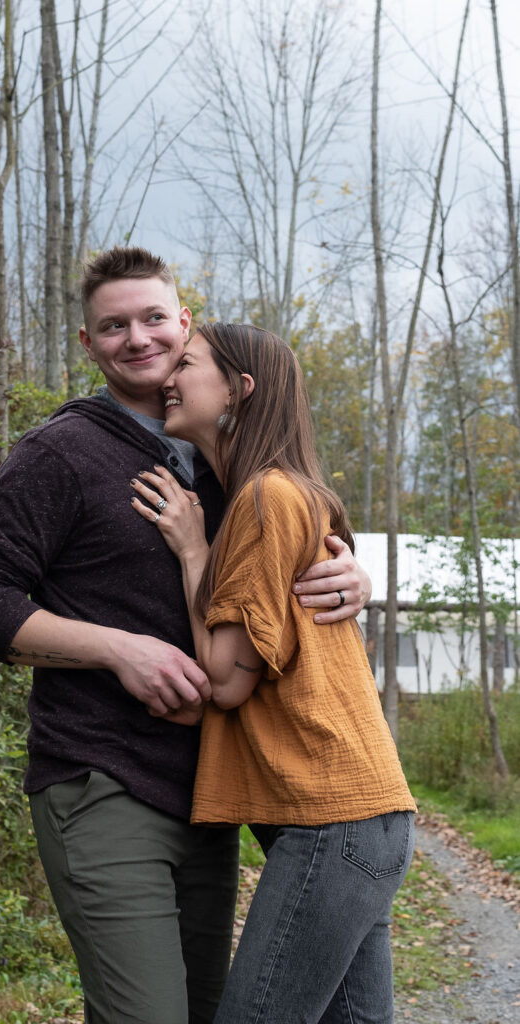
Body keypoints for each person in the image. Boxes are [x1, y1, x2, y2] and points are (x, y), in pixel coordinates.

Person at [0, 248, 372, 1024]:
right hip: (102, 779)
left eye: (153, 319)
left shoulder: (229, 461)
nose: (137, 339)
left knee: (211, 1011)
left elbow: (286, 562)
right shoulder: (59, 454)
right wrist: (119, 649)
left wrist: (354, 579)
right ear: (88, 344)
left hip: (209, 793)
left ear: (186, 325)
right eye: (113, 326)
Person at [130, 322, 416, 1024]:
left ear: (239, 390)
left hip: (333, 819)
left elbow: (227, 682)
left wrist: (193, 552)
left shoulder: (263, 498)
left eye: (188, 364)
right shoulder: (289, 493)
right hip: (368, 816)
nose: (169, 376)